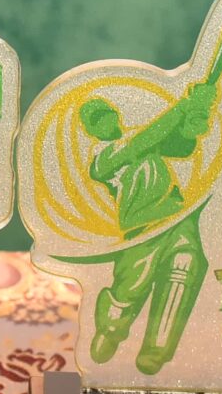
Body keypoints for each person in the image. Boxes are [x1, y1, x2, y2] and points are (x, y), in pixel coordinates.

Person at [82, 82, 215, 375]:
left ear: (115, 115)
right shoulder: (103, 157)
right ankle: (110, 329)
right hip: (141, 227)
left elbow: (179, 145)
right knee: (131, 287)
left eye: (106, 115)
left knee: (185, 265)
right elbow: (145, 140)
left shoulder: (143, 139)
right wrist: (184, 104)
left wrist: (194, 119)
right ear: (92, 130)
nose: (105, 123)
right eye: (97, 121)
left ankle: (157, 350)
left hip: (175, 214)